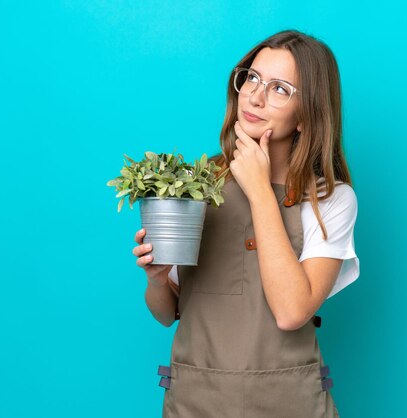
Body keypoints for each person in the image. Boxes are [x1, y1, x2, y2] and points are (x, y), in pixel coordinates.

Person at [133, 29, 359, 418]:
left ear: (308, 114)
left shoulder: (330, 200)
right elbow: (166, 312)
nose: (255, 96)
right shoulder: (195, 186)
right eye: (251, 78)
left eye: (279, 89)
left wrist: (259, 190)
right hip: (195, 402)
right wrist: (157, 279)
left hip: (290, 405)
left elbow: (292, 311)